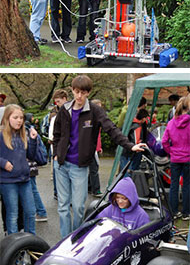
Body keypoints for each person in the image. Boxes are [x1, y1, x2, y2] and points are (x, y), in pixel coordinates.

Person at [53, 74, 146, 238]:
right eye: (76, 92)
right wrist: (55, 154)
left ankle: (75, 237)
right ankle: (65, 240)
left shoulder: (95, 111)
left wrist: (130, 145)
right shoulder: (64, 109)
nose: (79, 96)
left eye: (83, 93)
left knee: (79, 207)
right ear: (72, 90)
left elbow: (112, 129)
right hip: (61, 164)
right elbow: (57, 133)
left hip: (79, 166)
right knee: (63, 206)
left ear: (88, 92)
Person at [0, 105, 37, 234]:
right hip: (8, 181)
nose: (19, 120)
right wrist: (3, 163)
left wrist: (33, 140)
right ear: (7, 118)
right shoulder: (1, 135)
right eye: (15, 117)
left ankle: (31, 242)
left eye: (21, 117)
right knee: (13, 214)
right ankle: (14, 244)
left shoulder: (23, 134)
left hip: (24, 179)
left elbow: (31, 155)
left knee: (30, 212)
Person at [162, 95, 190, 220]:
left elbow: (164, 141)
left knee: (174, 185)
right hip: (188, 157)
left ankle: (173, 211)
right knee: (187, 185)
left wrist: (170, 152)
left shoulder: (170, 123)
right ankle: (186, 212)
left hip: (175, 158)